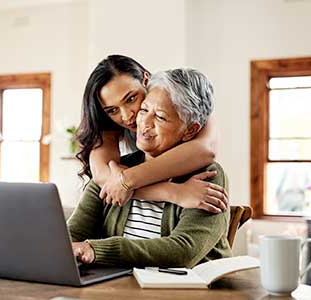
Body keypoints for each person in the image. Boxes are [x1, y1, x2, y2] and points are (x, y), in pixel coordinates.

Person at [68, 68, 232, 268]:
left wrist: (96, 250)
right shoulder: (116, 172)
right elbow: (71, 236)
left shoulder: (209, 175)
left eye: (160, 117)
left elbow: (183, 252)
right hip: (120, 288)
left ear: (190, 131)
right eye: (144, 110)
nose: (143, 123)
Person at [76, 55, 227, 213]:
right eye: (113, 110)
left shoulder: (184, 102)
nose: (127, 116)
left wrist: (127, 180)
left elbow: (205, 149)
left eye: (131, 99)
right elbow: (104, 176)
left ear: (146, 80)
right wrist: (173, 192)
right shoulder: (108, 126)